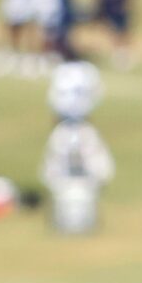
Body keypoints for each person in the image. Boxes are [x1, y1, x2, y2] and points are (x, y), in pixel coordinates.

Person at [40, 61, 114, 237]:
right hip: (83, 196)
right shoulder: (88, 134)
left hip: (67, 199)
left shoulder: (60, 135)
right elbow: (104, 171)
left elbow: (48, 173)